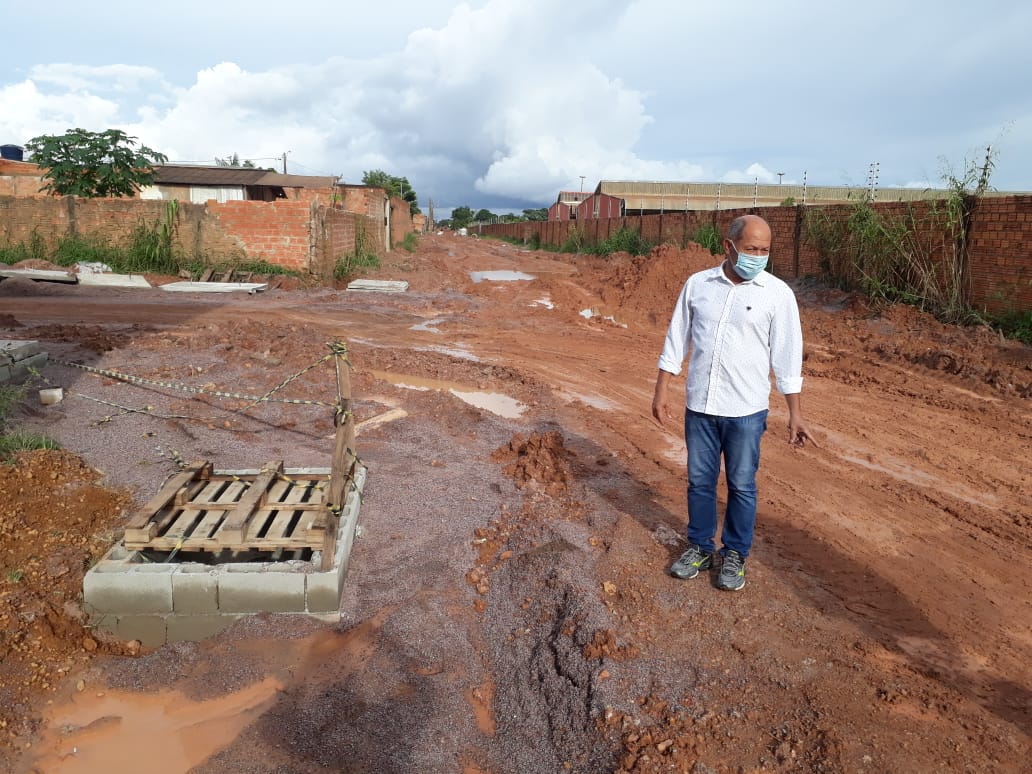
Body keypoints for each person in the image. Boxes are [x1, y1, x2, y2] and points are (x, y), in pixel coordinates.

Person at [652, 214, 817, 591]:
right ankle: (699, 546)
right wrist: (661, 390)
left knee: (742, 485)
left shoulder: (777, 294)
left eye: (765, 250)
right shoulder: (698, 285)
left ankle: (735, 554)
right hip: (701, 407)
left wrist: (795, 413)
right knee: (699, 482)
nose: (758, 256)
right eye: (751, 249)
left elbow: (787, 356)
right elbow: (676, 339)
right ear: (729, 247)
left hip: (746, 411)